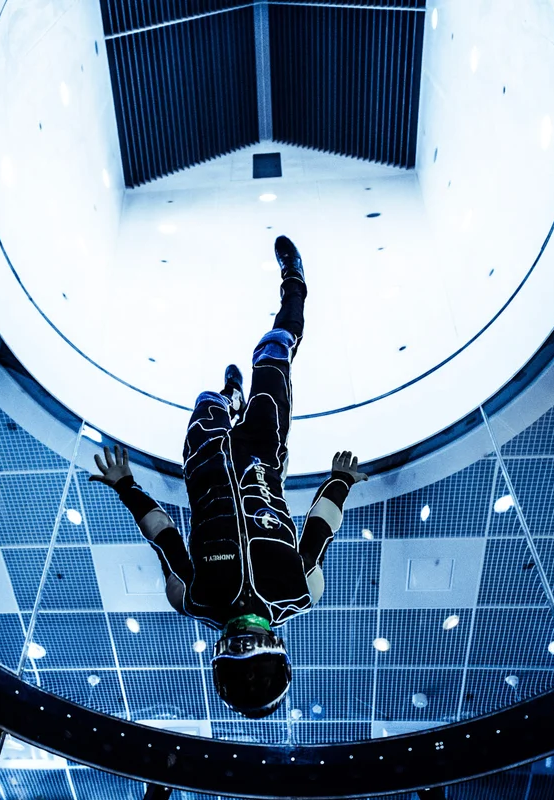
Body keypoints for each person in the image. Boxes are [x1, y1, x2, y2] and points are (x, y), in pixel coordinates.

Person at [90, 235, 368, 719]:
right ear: (277, 649)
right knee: (274, 352)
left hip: (203, 466)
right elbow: (320, 531)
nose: (243, 647)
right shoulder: (301, 592)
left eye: (235, 658)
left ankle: (227, 395)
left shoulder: (192, 597)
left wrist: (126, 487)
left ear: (219, 659)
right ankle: (295, 284)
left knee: (207, 402)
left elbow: (165, 538)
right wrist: (338, 481)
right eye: (255, 654)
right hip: (262, 452)